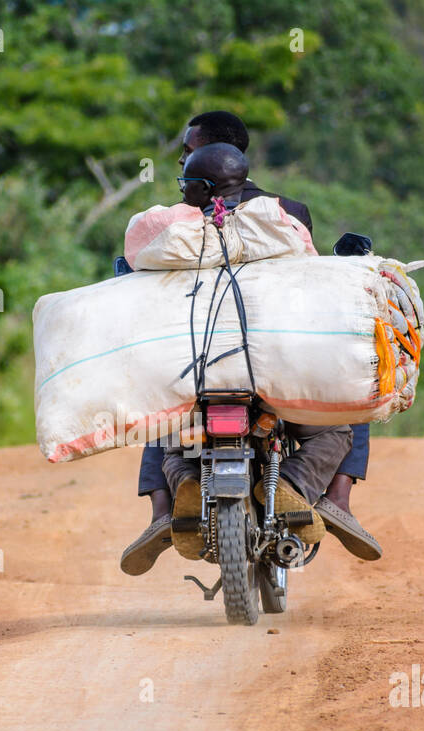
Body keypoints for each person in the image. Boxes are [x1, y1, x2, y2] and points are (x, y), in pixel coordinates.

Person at [119, 110, 380, 574]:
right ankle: (323, 494)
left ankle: (165, 508)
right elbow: (307, 283)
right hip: (275, 371)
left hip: (194, 371)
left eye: (187, 151)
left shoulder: (169, 226)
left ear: (200, 167)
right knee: (349, 397)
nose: (181, 159)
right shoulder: (286, 215)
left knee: (159, 412)